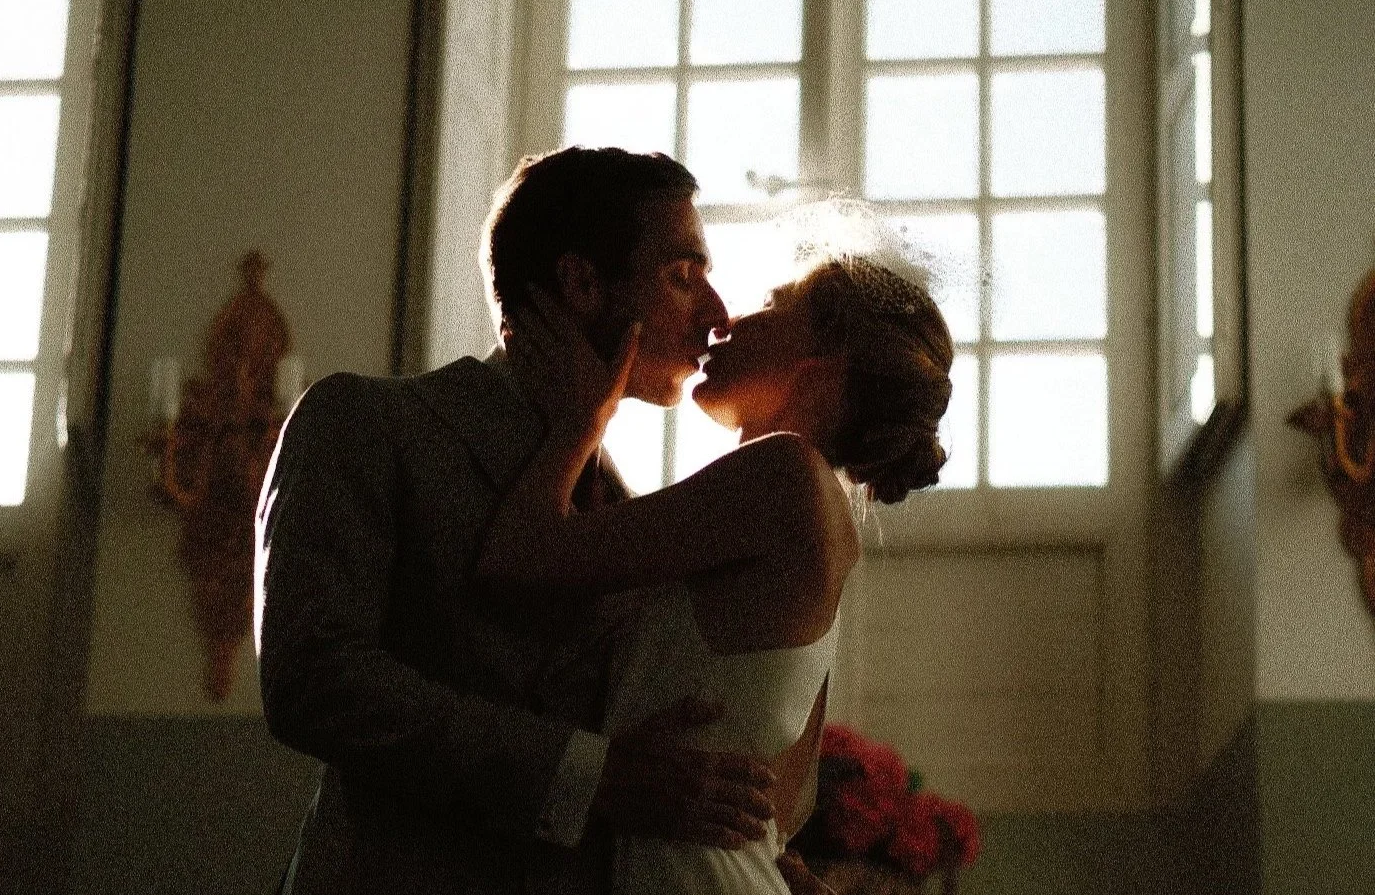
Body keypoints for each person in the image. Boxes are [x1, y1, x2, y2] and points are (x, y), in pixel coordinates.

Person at [254, 146, 781, 895]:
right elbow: (314, 680)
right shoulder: (364, 423)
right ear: (580, 282)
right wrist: (587, 775)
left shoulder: (632, 515)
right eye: (682, 274)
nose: (717, 314)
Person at [479, 233, 955, 894]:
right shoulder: (819, 520)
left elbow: (517, 556)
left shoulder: (782, 475)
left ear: (819, 369)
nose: (727, 321)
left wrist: (583, 418)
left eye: (770, 305)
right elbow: (786, 803)